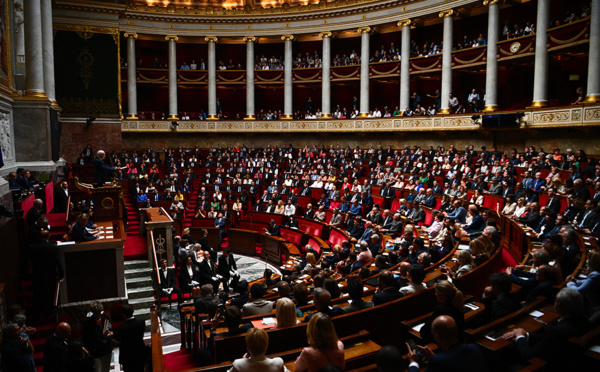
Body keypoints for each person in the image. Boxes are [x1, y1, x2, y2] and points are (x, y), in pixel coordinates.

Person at [502, 287, 591, 369]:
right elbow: (548, 339)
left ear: (558, 306)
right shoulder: (585, 321)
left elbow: (530, 356)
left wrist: (520, 338)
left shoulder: (559, 330)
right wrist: (525, 334)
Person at [407, 316, 488, 372]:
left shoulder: (437, 361)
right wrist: (434, 357)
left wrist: (413, 363)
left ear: (437, 336)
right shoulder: (474, 348)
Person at [30, 230, 64, 315]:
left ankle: (39, 309)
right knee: (50, 293)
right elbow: (58, 262)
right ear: (49, 236)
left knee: (39, 291)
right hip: (50, 274)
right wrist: (61, 274)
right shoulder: (53, 248)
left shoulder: (32, 247)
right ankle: (50, 310)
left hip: (37, 274)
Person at [113, 305, 146, 372]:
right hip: (140, 352)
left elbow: (118, 341)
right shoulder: (141, 322)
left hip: (127, 357)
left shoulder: (121, 329)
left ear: (123, 314)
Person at [82, 301, 113, 372]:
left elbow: (109, 327)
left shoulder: (105, 317)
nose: (98, 314)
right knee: (98, 370)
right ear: (92, 312)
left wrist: (111, 333)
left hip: (106, 348)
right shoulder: (87, 323)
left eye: (99, 312)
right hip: (95, 351)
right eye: (96, 312)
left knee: (105, 370)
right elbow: (86, 338)